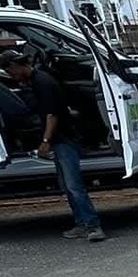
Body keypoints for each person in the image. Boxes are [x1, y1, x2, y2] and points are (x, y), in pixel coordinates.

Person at [1, 49, 104, 242]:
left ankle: (92, 225)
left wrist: (45, 141)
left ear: (15, 66)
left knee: (74, 186)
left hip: (64, 139)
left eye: (10, 71)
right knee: (67, 185)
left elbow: (52, 115)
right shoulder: (38, 80)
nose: (12, 76)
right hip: (60, 139)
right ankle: (82, 223)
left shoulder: (42, 82)